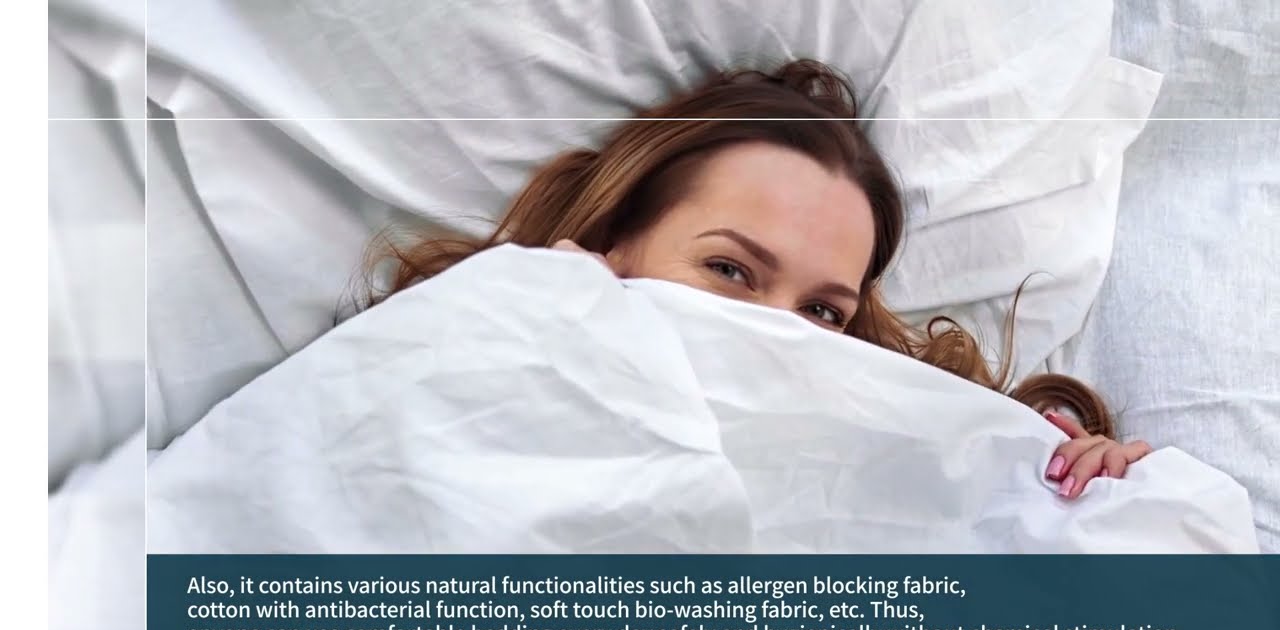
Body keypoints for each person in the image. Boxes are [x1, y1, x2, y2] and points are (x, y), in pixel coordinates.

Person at [365, 59, 1152, 500]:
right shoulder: (453, 350)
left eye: (822, 312)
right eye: (730, 270)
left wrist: (1080, 500)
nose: (775, 332)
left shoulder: (885, 456)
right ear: (613, 244)